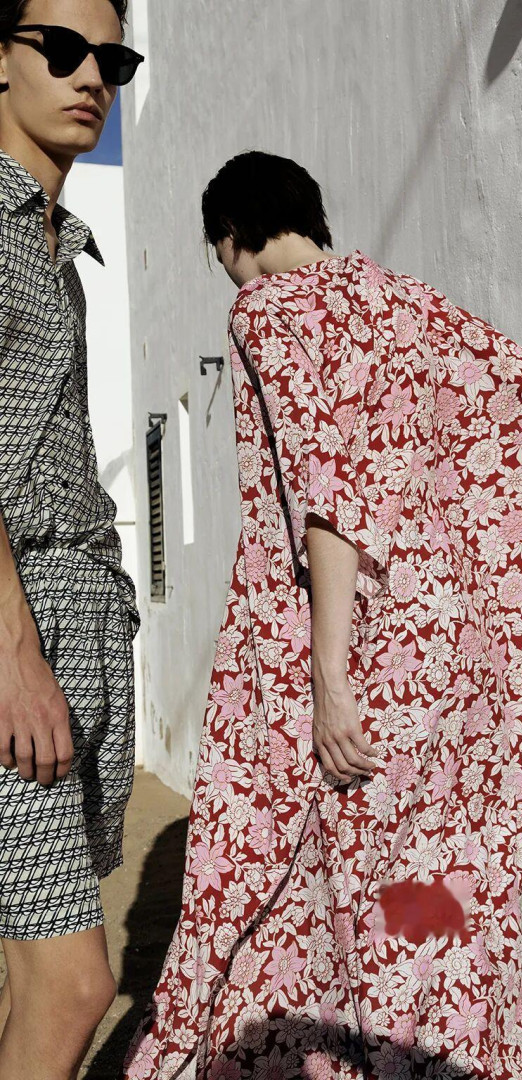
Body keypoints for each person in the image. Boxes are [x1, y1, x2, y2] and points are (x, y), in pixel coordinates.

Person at [124, 150, 522, 1080]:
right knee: (424, 876)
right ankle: (439, 1052)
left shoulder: (268, 310)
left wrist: (328, 678)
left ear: (232, 236)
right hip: (436, 648)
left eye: (220, 254)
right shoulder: (402, 297)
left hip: (344, 639)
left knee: (293, 870)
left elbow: (329, 494)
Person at [0, 2, 144, 1078]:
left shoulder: (61, 243)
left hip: (83, 619)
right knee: (74, 984)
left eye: (112, 57)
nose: (91, 75)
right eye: (61, 48)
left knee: (31, 974)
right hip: (18, 628)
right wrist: (14, 654)